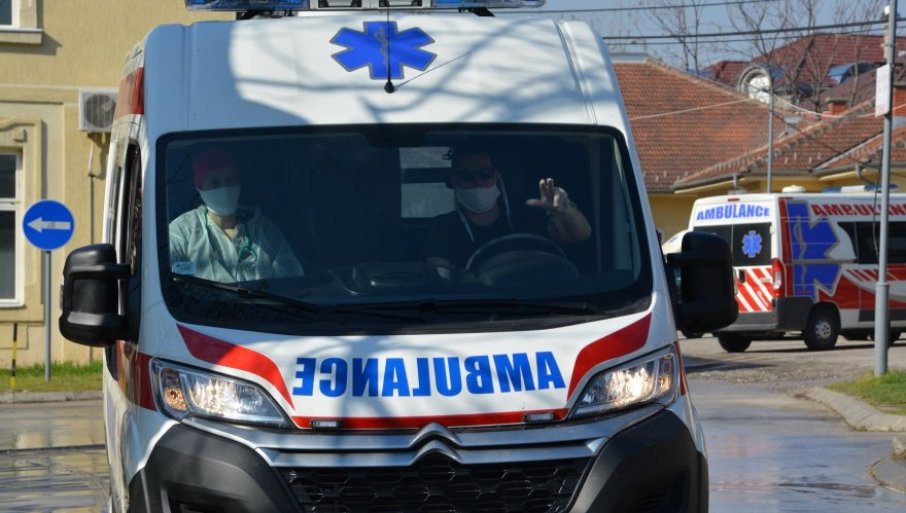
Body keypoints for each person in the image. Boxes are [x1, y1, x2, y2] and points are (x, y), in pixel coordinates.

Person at [426, 148, 591, 268]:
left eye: (485, 173)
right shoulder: (444, 226)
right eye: (467, 176)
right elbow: (439, 274)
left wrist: (565, 210)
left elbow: (580, 235)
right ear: (454, 181)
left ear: (496, 176)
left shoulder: (526, 217)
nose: (478, 182)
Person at [169, 148, 304, 282]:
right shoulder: (181, 233)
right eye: (215, 183)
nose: (225, 188)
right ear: (200, 187)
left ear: (239, 183)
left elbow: (290, 280)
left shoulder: (263, 229)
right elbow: (171, 281)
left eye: (230, 180)